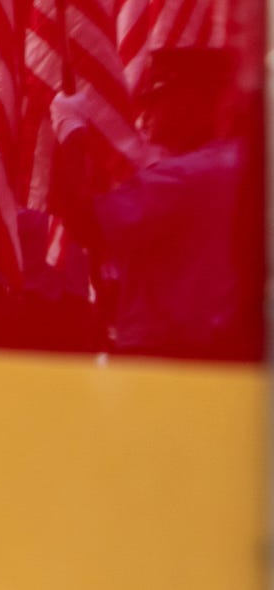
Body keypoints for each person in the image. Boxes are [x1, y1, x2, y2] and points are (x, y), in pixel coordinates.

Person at [84, 46, 255, 358]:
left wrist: (70, 138)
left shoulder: (180, 177)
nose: (146, 116)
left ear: (188, 103)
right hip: (233, 349)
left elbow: (89, 227)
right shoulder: (246, 162)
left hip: (166, 354)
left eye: (157, 102)